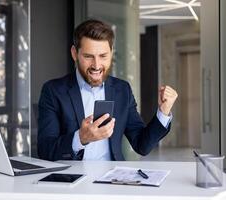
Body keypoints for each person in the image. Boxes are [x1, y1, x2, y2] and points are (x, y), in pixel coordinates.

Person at [37, 19, 178, 161]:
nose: (97, 65)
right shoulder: (53, 91)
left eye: (103, 56)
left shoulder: (122, 90)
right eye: (88, 56)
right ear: (75, 54)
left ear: (111, 53)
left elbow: (142, 144)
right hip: (72, 179)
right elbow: (45, 150)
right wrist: (80, 138)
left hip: (112, 178)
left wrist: (163, 112)